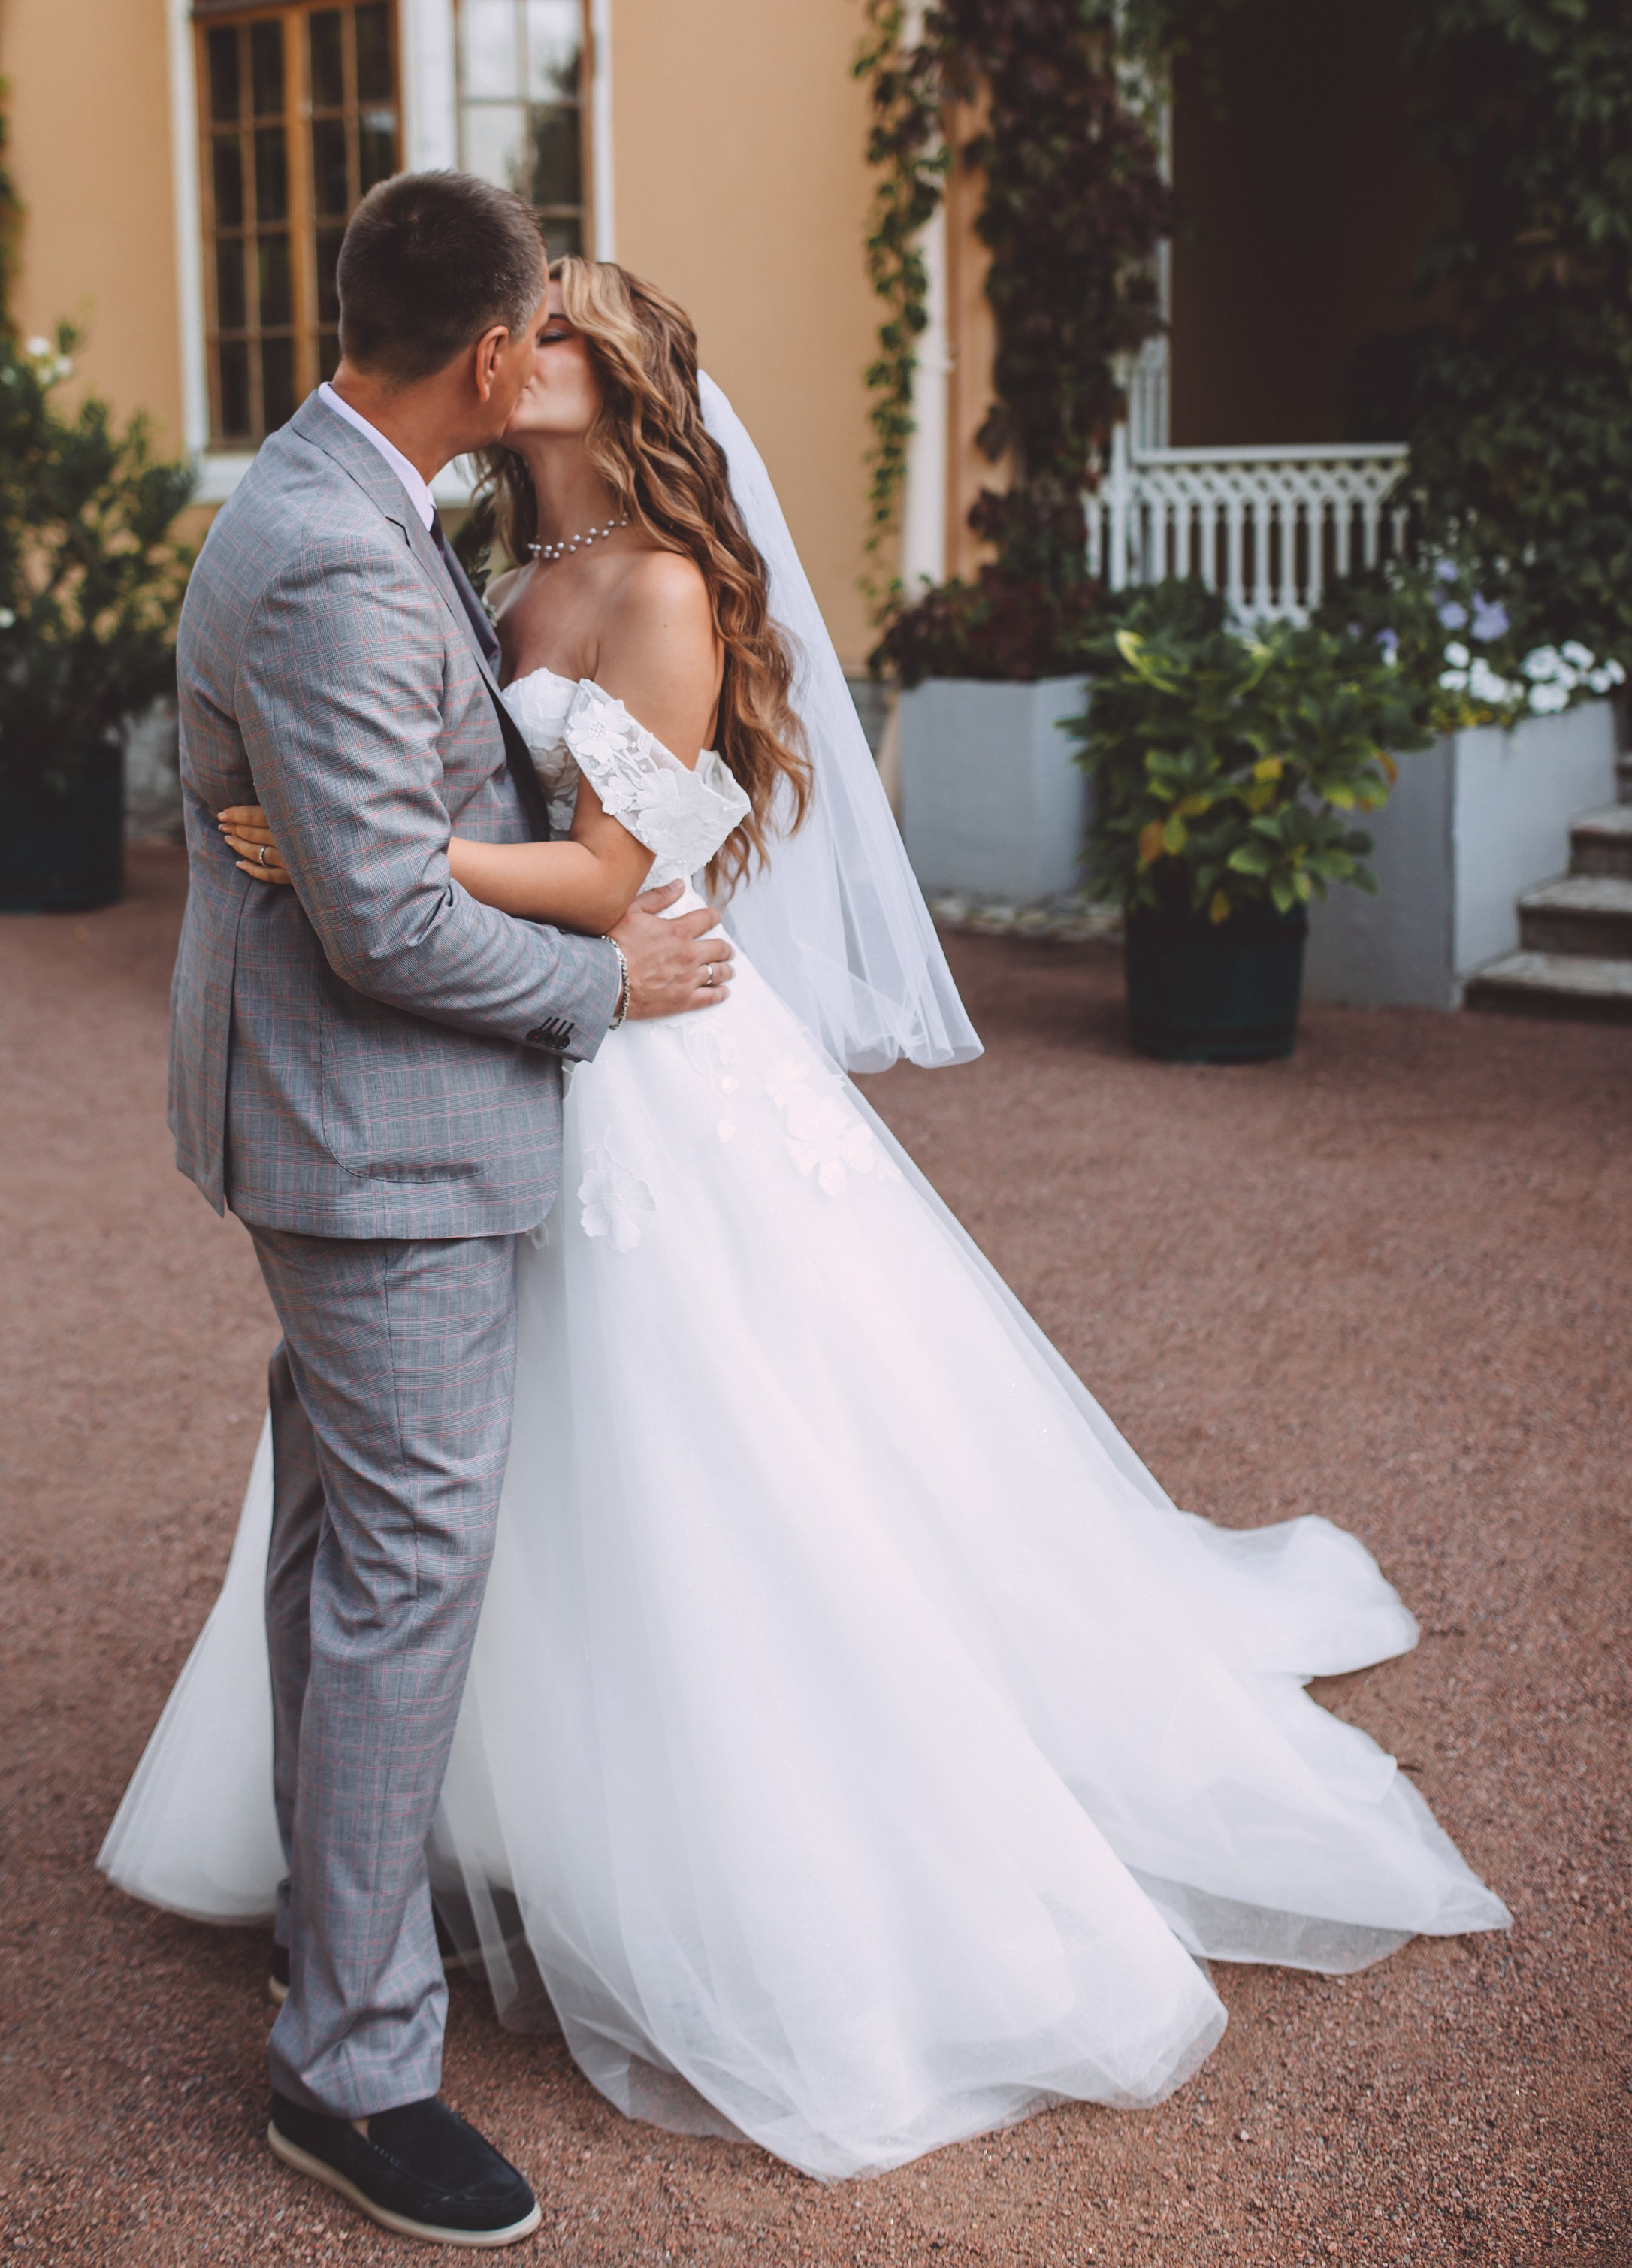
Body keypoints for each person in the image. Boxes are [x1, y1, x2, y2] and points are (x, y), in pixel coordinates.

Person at [107, 254, 1507, 2213]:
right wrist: (355, 828)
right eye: (530, 322)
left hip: (638, 1058)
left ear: (631, 379)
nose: (536, 348)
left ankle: (670, 1857)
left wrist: (377, 853)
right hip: (491, 1067)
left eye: (573, 328)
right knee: (422, 1497)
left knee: (690, 1469)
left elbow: (608, 870)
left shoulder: (667, 589)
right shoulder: (471, 559)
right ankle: (404, 1860)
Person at [153, 178, 730, 2248]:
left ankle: (339, 1934)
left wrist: (330, 851)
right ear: (491, 360)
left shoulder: (345, 508)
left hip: (381, 1116)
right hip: (374, 1132)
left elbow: (432, 835)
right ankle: (352, 2069)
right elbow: (389, 911)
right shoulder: (344, 549)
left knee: (349, 1554)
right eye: (533, 329)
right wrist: (602, 979)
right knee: (402, 1578)